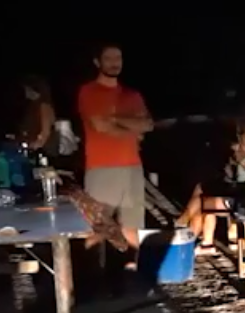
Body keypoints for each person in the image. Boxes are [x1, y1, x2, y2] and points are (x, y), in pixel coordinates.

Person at [77, 43, 154, 255]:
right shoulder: (89, 91)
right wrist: (131, 126)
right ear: (97, 62)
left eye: (118, 58)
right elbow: (100, 126)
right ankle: (92, 276)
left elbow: (148, 124)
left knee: (132, 225)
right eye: (108, 58)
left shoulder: (131, 94)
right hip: (102, 167)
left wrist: (114, 119)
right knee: (98, 226)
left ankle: (132, 273)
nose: (114, 63)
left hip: (132, 166)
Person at [176, 125, 245, 254]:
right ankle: (203, 243)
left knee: (201, 202)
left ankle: (186, 231)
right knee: (202, 194)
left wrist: (242, 162)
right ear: (240, 138)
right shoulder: (236, 152)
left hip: (243, 198)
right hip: (234, 191)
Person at [17, 75, 58, 156]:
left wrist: (35, 146)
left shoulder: (43, 105)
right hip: (38, 148)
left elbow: (45, 132)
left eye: (26, 88)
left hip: (44, 150)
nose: (25, 91)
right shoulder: (33, 105)